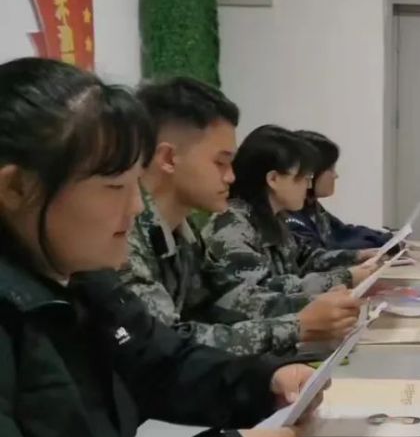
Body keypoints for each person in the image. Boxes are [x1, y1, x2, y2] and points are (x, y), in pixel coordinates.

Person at [0, 57, 319, 437]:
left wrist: (266, 382)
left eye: (136, 184)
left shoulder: (84, 278)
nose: (135, 207)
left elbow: (163, 363)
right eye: (114, 187)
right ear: (16, 188)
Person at [122, 77, 361, 356]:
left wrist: (316, 308)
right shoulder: (123, 235)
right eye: (220, 162)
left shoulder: (182, 232)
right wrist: (297, 326)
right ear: (167, 158)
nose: (230, 177)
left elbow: (228, 297)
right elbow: (167, 345)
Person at [201, 125, 375, 312]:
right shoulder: (232, 227)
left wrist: (358, 257)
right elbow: (260, 295)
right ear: (273, 179)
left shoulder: (271, 217)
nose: (308, 185)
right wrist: (345, 277)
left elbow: (306, 258)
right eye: (304, 177)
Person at [286, 130, 392, 251]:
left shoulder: (312, 206)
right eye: (330, 169)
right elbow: (325, 250)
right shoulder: (289, 215)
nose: (335, 175)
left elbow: (343, 232)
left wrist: (386, 239)